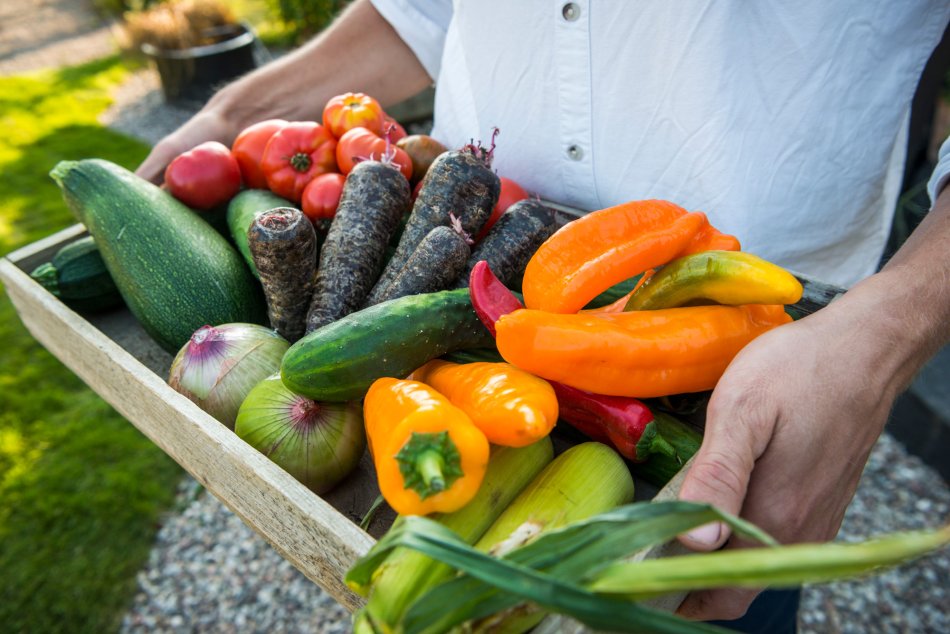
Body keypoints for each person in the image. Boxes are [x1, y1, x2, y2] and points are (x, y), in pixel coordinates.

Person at [137, 1, 950, 630]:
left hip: (764, 352)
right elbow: (420, 9)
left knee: (714, 595)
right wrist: (233, 112)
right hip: (471, 272)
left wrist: (884, 337)